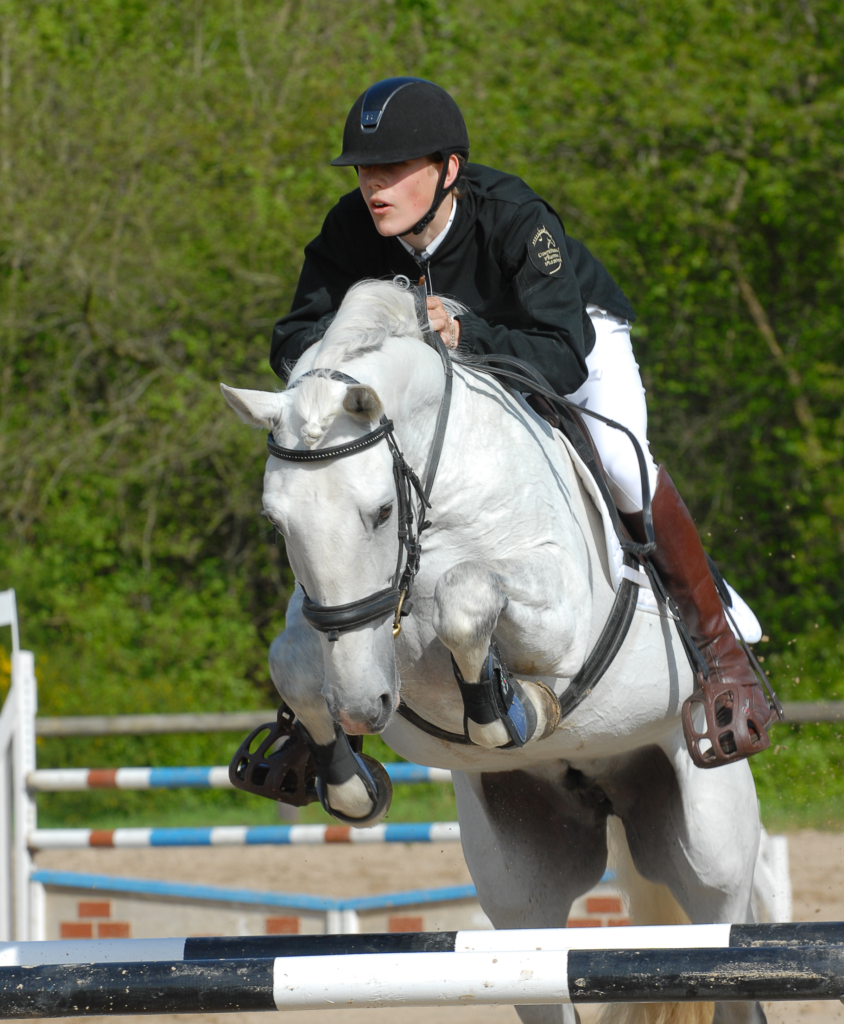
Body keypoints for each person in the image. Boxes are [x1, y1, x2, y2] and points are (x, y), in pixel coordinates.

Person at [271, 77, 778, 768]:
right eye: (365, 170)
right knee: (338, 484)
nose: (373, 186)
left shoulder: (515, 216)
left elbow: (562, 356)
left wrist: (467, 335)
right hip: (447, 374)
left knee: (621, 459)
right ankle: (311, 704)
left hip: (567, 340)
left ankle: (724, 659)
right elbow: (292, 339)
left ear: (449, 170)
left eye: (393, 169)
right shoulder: (348, 229)